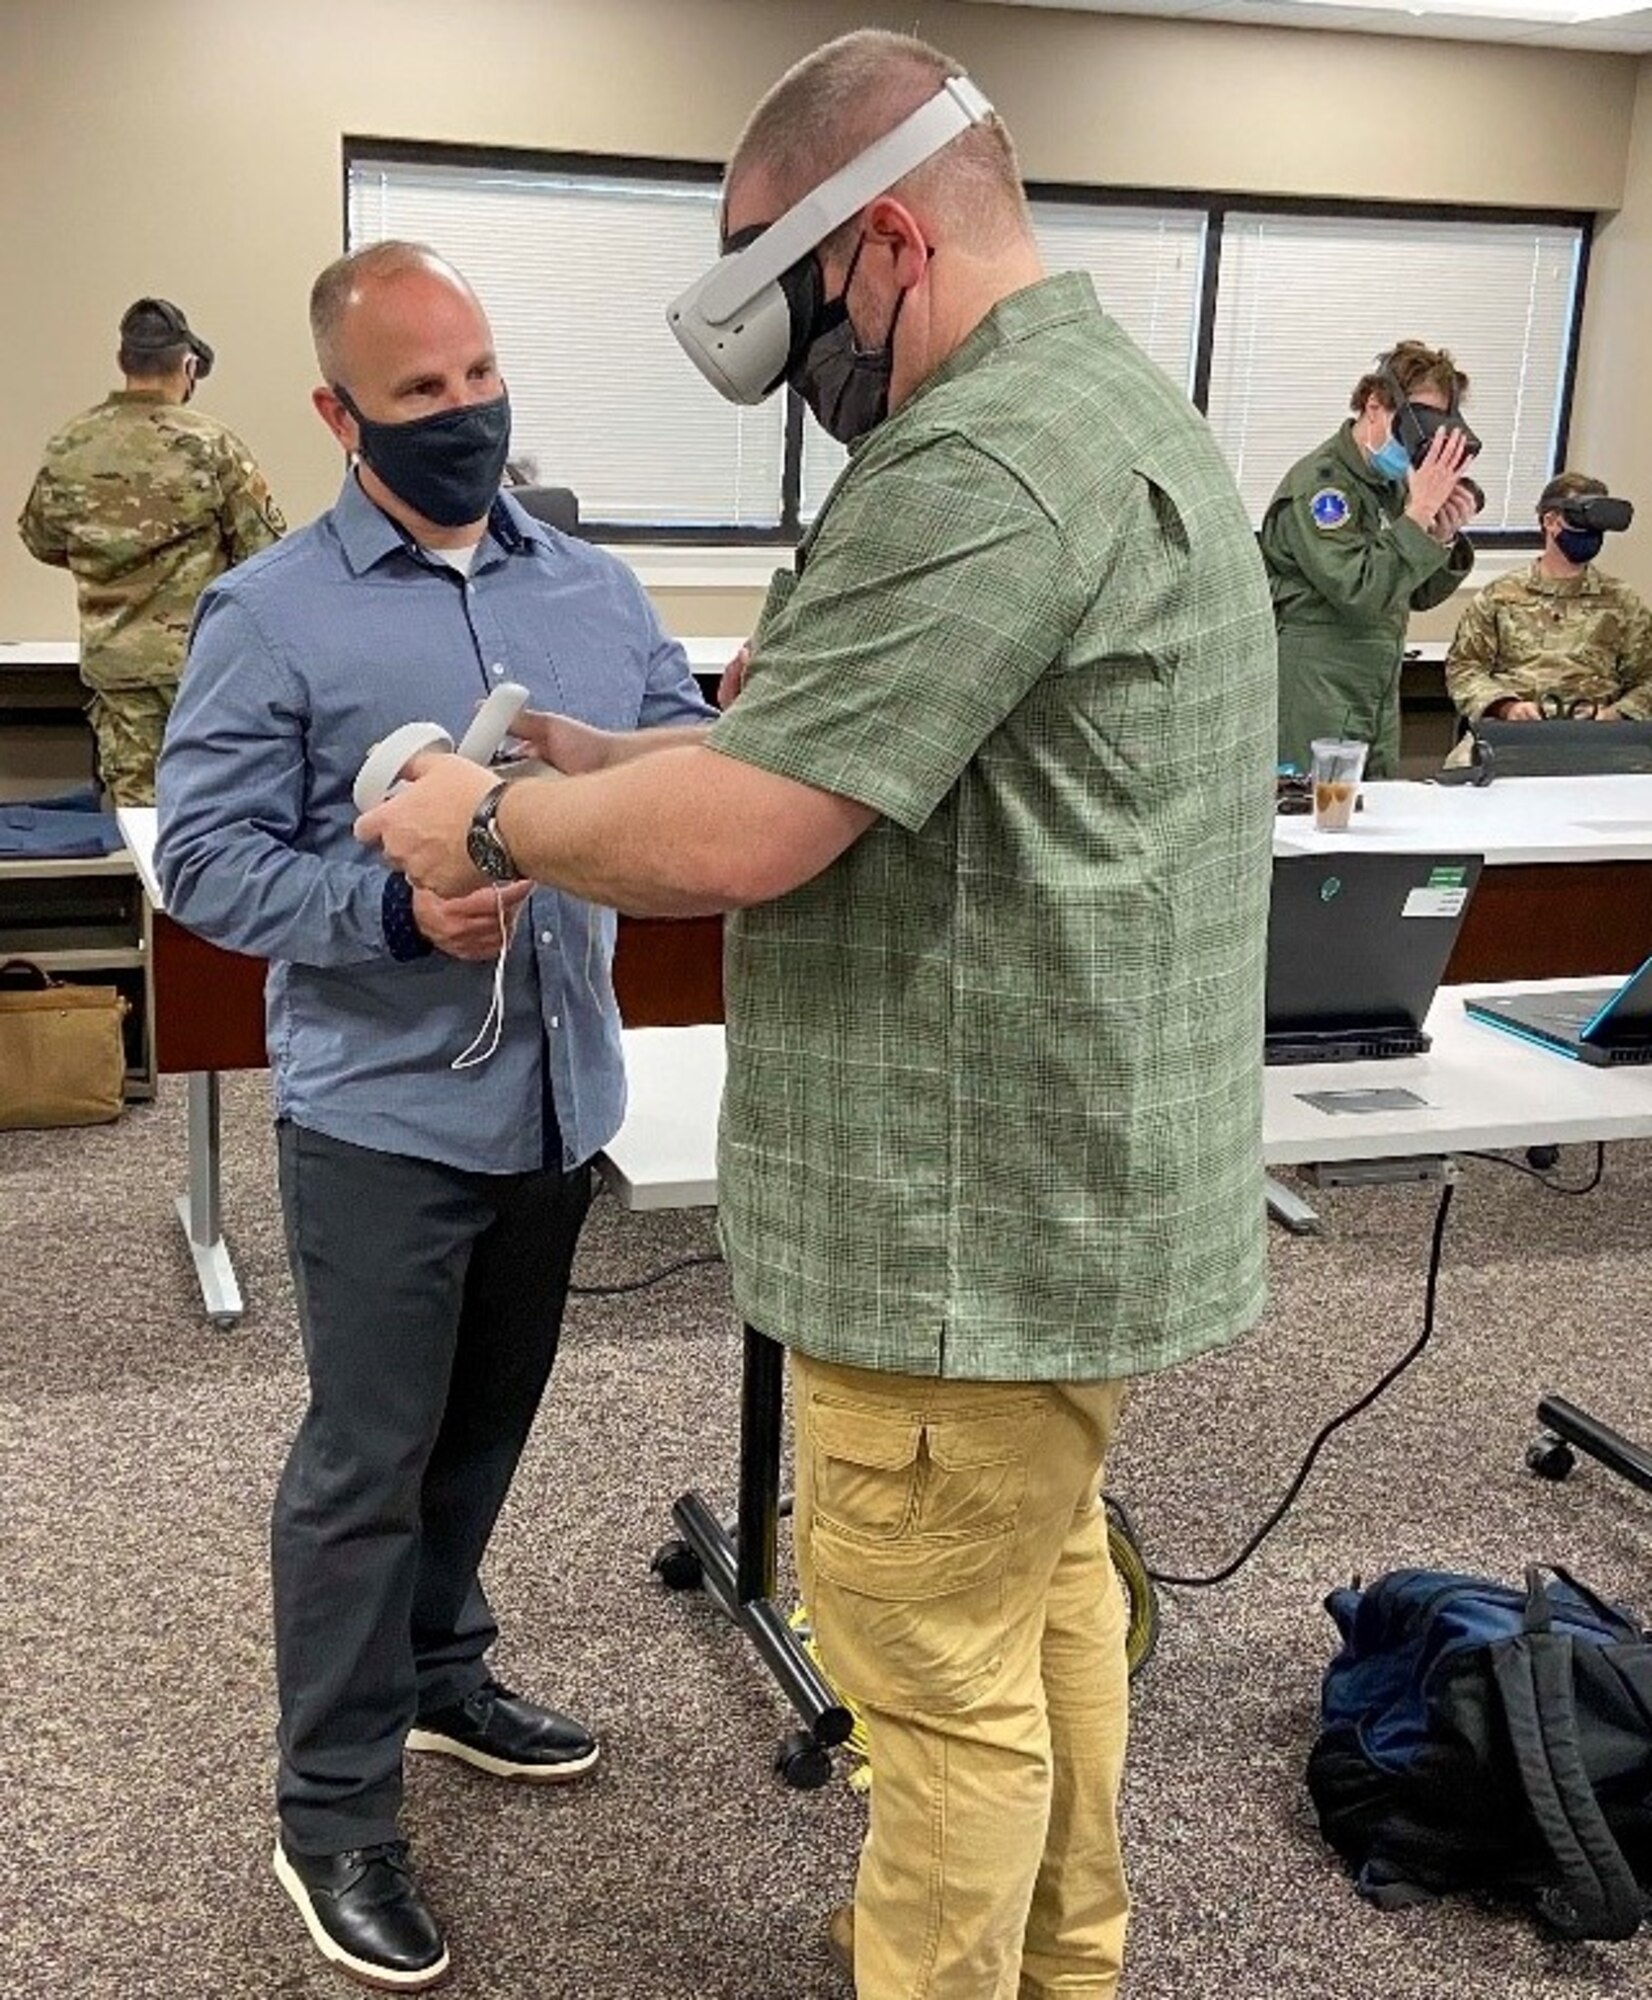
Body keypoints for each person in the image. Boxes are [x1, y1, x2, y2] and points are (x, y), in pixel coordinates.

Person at [356, 31, 1276, 2000]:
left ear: (871, 250)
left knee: (929, 1687)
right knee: (1035, 1617)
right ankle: (1062, 1967)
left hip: (949, 1230)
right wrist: (614, 766)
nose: (811, 386)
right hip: (1056, 1205)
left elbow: (754, 829)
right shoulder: (1106, 409)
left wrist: (492, 805)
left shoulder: (977, 458)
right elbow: (841, 763)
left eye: (794, 320)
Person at [155, 241, 713, 1991]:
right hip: (387, 1119)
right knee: (364, 1466)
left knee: (481, 1436)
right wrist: (393, 908)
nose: (466, 411)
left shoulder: (592, 589)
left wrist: (637, 790)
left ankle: (442, 1671)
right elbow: (203, 863)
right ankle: (332, 1812)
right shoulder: (271, 611)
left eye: (478, 374)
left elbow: (685, 758)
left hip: (557, 1099)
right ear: (336, 413)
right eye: (419, 392)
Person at [17, 297, 285, 805]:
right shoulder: (212, 445)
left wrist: (111, 557)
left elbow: (41, 538)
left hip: (118, 672)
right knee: (214, 811)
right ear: (188, 367)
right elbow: (263, 551)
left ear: (124, 363)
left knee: (140, 820)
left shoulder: (70, 444)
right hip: (204, 670)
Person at [1260, 339, 1480, 779]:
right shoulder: (1324, 487)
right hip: (1318, 682)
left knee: (1373, 814)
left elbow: (1415, 593)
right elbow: (1357, 588)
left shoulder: (1392, 488)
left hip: (1376, 683)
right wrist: (1416, 516)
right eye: (1417, 423)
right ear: (1375, 405)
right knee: (1314, 817)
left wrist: (1440, 536)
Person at [1445, 471, 1652, 731]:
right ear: (1550, 521)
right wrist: (1507, 707)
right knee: (1465, 766)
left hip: (1596, 737)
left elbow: (1647, 679)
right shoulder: (1499, 596)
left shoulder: (1622, 601)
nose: (1591, 534)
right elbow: (1465, 668)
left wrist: (1615, 715)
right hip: (1513, 734)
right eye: (1581, 522)